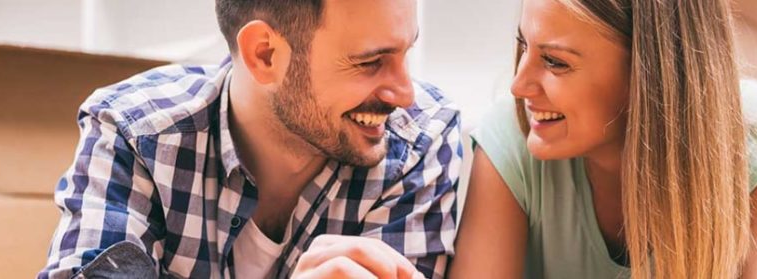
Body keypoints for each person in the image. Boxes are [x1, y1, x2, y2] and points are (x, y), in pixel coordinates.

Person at [39, 0, 461, 278]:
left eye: (405, 53)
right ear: (265, 54)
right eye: (371, 62)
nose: (404, 93)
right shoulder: (138, 133)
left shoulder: (418, 144)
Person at [450, 0, 757, 278]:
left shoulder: (748, 137)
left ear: (652, 71)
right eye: (523, 46)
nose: (518, 85)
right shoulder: (510, 140)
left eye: (555, 62)